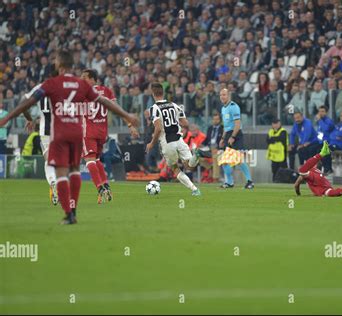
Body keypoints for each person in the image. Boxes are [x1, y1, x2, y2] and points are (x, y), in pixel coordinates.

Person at [0, 50, 139, 224]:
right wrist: (128, 116)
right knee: (74, 171)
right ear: (72, 65)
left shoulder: (51, 83)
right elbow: (104, 102)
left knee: (61, 172)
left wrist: (7, 117)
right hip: (76, 131)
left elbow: (26, 103)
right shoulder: (81, 85)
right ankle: (73, 209)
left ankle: (69, 214)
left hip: (59, 132)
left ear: (59, 65)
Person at [81, 69, 138, 204]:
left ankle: (100, 188)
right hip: (102, 132)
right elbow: (116, 109)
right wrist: (130, 125)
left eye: (84, 77)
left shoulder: (82, 92)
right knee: (97, 159)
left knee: (89, 160)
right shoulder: (107, 91)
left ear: (92, 79)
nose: (82, 80)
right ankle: (106, 184)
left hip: (88, 131)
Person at [145, 82, 201, 196]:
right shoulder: (174, 105)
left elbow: (158, 128)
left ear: (153, 94)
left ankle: (194, 189)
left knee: (175, 168)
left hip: (167, 142)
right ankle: (196, 155)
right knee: (189, 166)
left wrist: (151, 143)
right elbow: (185, 123)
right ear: (163, 92)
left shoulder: (154, 108)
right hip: (179, 139)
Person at [23, 72, 58, 204]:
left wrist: (29, 119)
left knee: (48, 160)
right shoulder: (65, 86)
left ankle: (53, 182)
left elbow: (24, 105)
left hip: (45, 130)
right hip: (62, 128)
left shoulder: (40, 87)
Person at [218, 88, 254, 189]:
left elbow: (237, 124)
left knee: (237, 160)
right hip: (228, 134)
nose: (222, 97)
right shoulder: (223, 108)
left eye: (224, 95)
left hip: (236, 134)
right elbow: (226, 125)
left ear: (228, 95)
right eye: (221, 95)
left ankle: (249, 181)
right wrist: (222, 138)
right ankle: (230, 182)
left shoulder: (233, 107)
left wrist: (233, 137)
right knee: (225, 161)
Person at [203, 112, 224, 182]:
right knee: (197, 154)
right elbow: (206, 139)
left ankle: (215, 178)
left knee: (215, 157)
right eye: (214, 119)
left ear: (220, 120)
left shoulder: (222, 129)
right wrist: (201, 145)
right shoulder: (210, 128)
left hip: (219, 149)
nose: (215, 121)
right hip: (209, 148)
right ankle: (210, 167)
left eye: (217, 119)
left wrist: (217, 148)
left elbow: (223, 141)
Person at [315, 105, 335, 174]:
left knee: (324, 152)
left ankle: (328, 169)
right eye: (319, 111)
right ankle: (319, 168)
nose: (320, 113)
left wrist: (320, 120)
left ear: (326, 113)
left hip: (329, 142)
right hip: (321, 142)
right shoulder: (319, 122)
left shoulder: (329, 121)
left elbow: (326, 129)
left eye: (322, 111)